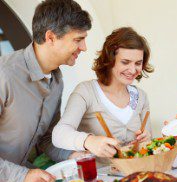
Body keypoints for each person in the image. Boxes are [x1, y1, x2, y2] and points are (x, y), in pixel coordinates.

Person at [0, 0, 91, 182]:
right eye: (78, 39)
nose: (83, 47)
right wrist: (22, 177)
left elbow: (47, 138)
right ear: (50, 37)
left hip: (20, 173)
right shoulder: (4, 75)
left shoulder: (56, 81)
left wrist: (73, 154)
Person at [52, 27, 153, 162]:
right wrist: (89, 140)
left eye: (138, 63)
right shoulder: (86, 92)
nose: (133, 69)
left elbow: (148, 145)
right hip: (99, 180)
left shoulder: (141, 97)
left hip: (136, 175)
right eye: (125, 62)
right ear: (110, 60)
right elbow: (59, 134)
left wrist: (146, 140)